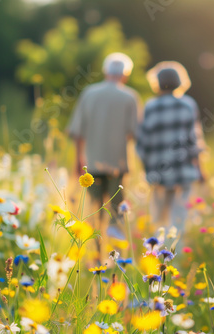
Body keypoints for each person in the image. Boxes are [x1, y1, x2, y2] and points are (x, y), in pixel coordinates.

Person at [67, 52, 141, 242]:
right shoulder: (130, 97)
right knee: (117, 210)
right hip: (118, 163)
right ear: (125, 74)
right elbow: (135, 133)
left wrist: (78, 160)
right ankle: (116, 253)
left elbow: (77, 131)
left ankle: (95, 249)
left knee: (94, 208)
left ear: (105, 71)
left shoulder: (89, 93)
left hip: (91, 162)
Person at [136, 61, 205, 247]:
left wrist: (147, 170)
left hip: (158, 172)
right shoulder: (188, 105)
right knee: (179, 220)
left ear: (157, 82)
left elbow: (142, 144)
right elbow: (194, 141)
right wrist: (201, 170)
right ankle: (175, 258)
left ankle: (155, 257)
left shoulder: (150, 106)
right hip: (184, 172)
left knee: (158, 221)